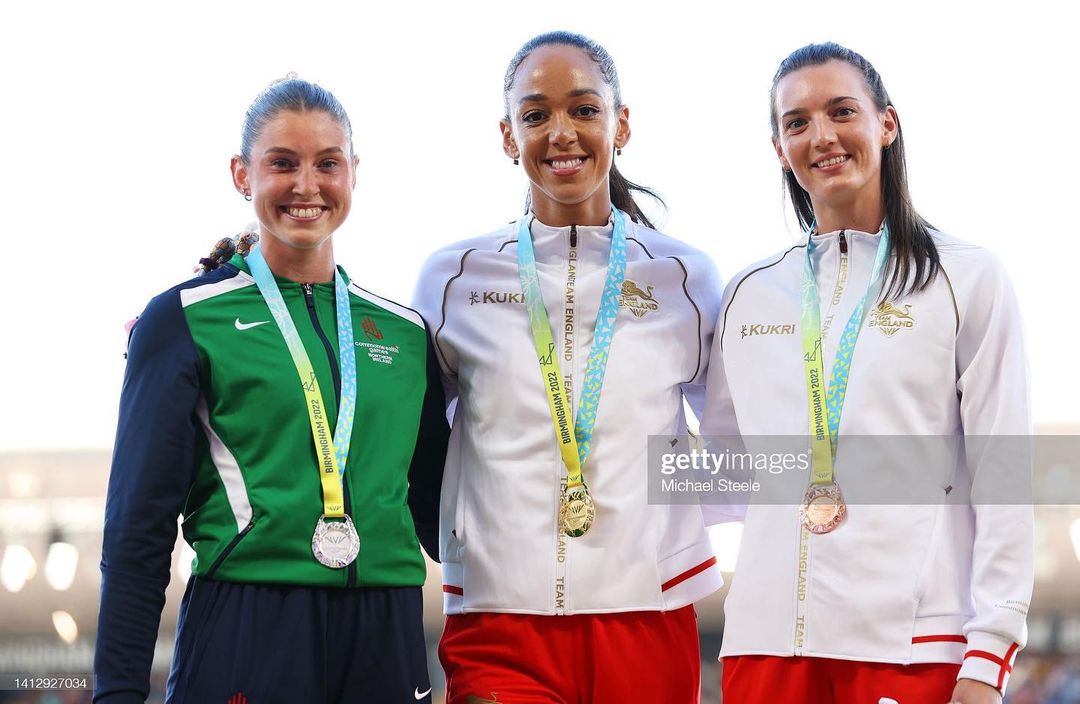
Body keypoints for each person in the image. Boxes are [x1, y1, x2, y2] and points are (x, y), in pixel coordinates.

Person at [94, 78, 448, 704]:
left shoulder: (406, 333)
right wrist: (117, 691)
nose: (307, 185)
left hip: (386, 633)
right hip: (247, 627)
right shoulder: (183, 320)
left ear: (354, 172)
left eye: (327, 164)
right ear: (242, 174)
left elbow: (446, 516)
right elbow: (137, 529)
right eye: (283, 163)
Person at [700, 42, 1033, 704]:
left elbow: (1003, 472)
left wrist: (989, 654)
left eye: (841, 111)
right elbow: (729, 471)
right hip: (764, 649)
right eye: (797, 122)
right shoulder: (748, 293)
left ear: (886, 123)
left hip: (912, 648)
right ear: (779, 149)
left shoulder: (966, 278)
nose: (821, 136)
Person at [412, 31, 725, 704]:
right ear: (508, 136)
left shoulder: (684, 276)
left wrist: (655, 516)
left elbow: (735, 444)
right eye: (536, 115)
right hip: (497, 620)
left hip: (648, 616)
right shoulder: (453, 278)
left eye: (584, 109)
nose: (561, 133)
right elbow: (409, 434)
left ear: (621, 125)